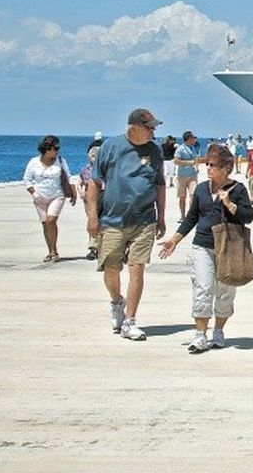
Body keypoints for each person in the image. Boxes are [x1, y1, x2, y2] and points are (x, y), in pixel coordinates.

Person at [157, 143, 253, 354]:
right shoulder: (201, 189)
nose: (208, 168)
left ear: (225, 168)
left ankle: (218, 331)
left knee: (225, 290)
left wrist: (230, 204)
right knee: (203, 288)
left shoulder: (238, 189)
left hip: (228, 248)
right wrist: (175, 240)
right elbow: (191, 217)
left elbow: (248, 217)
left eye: (213, 165)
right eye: (207, 164)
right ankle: (200, 335)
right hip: (203, 245)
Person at [87, 108, 167, 341]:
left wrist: (161, 217)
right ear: (135, 128)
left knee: (137, 267)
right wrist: (92, 217)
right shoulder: (110, 147)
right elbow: (94, 183)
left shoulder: (155, 150)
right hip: (112, 219)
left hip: (144, 219)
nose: (153, 132)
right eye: (150, 127)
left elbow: (160, 184)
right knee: (111, 268)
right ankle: (117, 302)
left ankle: (130, 321)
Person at [22, 134, 76, 262]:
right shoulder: (34, 162)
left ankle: (54, 251)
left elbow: (69, 177)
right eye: (55, 148)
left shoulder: (60, 161)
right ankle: (51, 251)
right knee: (45, 224)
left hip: (57, 195)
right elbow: (27, 179)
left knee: (51, 220)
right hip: (39, 197)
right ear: (46, 149)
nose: (57, 151)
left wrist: (74, 193)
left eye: (58, 148)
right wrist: (34, 194)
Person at [173, 131, 204, 222]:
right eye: (193, 137)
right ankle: (183, 216)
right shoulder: (180, 149)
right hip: (182, 176)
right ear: (189, 138)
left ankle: (191, 216)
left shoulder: (193, 148)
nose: (194, 139)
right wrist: (188, 162)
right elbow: (175, 161)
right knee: (182, 197)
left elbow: (196, 159)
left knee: (193, 195)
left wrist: (197, 166)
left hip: (193, 176)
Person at [78, 145, 101, 260]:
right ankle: (94, 248)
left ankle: (96, 247)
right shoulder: (86, 169)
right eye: (92, 156)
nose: (94, 158)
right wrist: (81, 191)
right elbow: (79, 182)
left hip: (103, 197)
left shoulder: (106, 169)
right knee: (92, 220)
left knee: (102, 221)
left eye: (96, 156)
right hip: (89, 199)